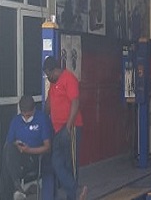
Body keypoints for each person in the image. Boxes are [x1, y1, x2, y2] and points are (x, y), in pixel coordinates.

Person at [43, 56, 87, 200]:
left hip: (70, 127)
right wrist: (43, 117)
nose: (48, 77)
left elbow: (75, 102)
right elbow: (49, 104)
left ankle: (72, 196)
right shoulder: (53, 84)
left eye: (48, 74)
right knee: (56, 162)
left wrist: (68, 126)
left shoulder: (69, 79)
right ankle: (77, 189)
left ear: (55, 70)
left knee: (70, 164)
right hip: (57, 130)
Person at [0, 95, 51, 200]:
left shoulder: (42, 119)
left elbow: (47, 147)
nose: (26, 118)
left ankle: (15, 189)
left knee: (7, 170)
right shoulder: (16, 120)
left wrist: (29, 150)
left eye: (29, 115)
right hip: (19, 159)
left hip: (34, 158)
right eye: (24, 115)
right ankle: (17, 187)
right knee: (8, 149)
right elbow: (9, 142)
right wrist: (17, 144)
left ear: (34, 110)